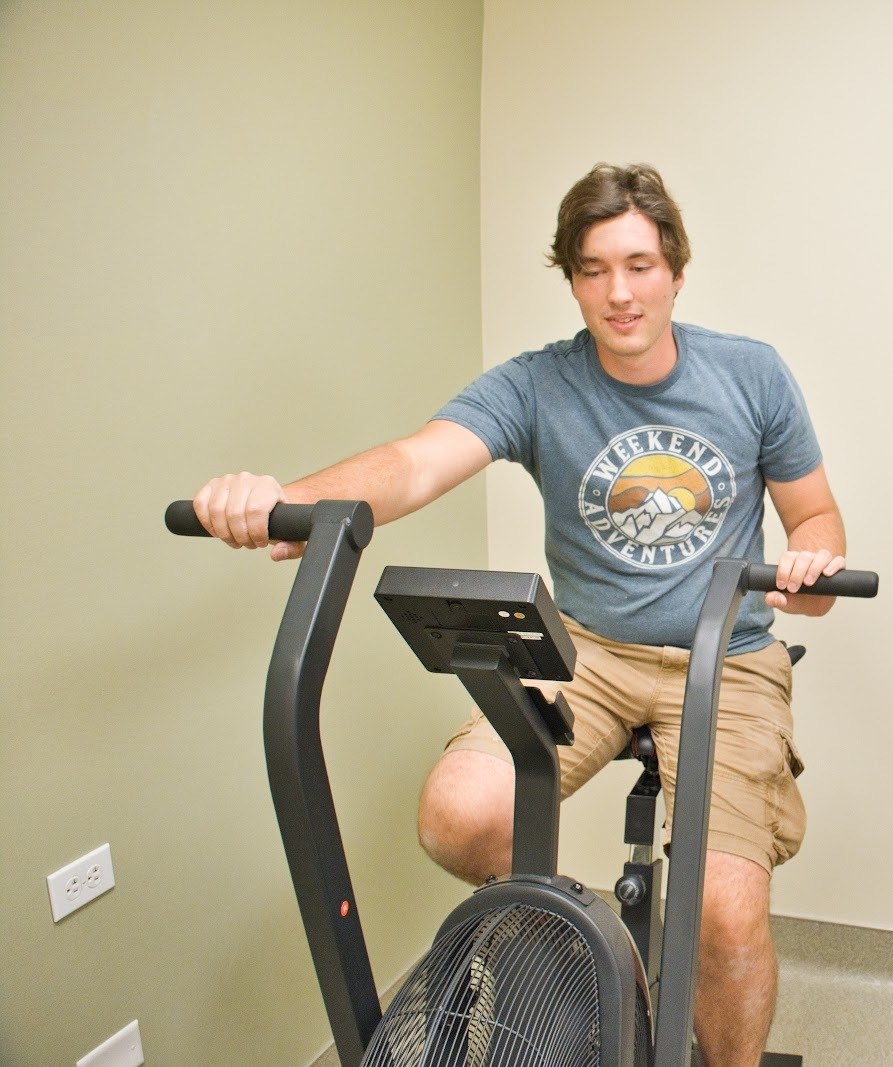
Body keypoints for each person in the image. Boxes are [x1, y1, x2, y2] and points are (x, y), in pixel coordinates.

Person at [192, 163, 846, 1066]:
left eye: (640, 264)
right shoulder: (537, 385)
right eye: (593, 269)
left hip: (724, 654)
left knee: (723, 911)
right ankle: (601, 971)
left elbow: (815, 522)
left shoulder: (751, 373)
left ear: (677, 272)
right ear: (572, 280)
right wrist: (289, 498)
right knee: (457, 815)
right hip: (590, 650)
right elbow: (416, 463)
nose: (619, 292)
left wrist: (809, 568)